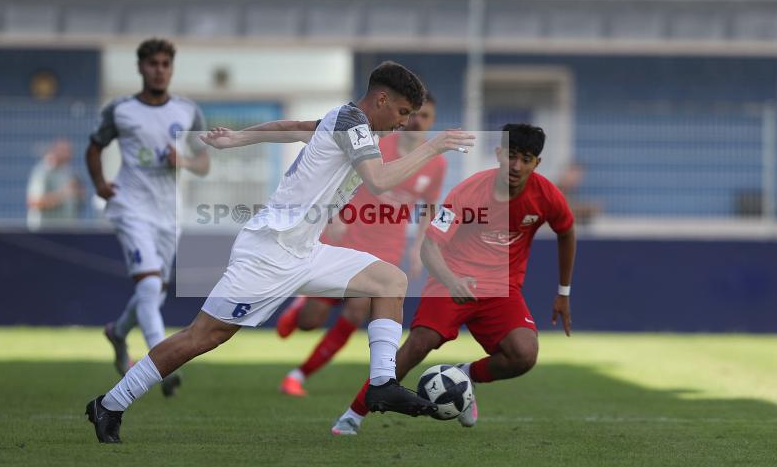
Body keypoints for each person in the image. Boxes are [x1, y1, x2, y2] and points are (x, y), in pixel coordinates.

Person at [85, 61, 475, 443]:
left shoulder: (347, 122)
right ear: (382, 99)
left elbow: (292, 128)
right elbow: (378, 178)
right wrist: (433, 147)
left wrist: (239, 138)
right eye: (404, 113)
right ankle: (111, 403)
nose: (406, 123)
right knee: (202, 336)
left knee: (390, 280)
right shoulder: (354, 122)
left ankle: (381, 384)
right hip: (270, 251)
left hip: (305, 250)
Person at [331, 123, 576, 436]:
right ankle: (353, 415)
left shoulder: (546, 196)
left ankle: (464, 376)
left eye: (526, 159)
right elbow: (430, 247)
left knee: (524, 355)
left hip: (502, 289)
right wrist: (452, 280)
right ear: (499, 154)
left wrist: (563, 292)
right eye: (511, 156)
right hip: (452, 278)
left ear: (536, 163)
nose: (516, 166)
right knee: (416, 346)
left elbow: (566, 231)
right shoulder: (468, 192)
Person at [276, 92, 447, 397]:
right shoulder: (381, 141)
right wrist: (335, 215)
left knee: (356, 311)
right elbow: (342, 175)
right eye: (414, 114)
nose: (417, 121)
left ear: (432, 121)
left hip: (386, 247)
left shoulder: (435, 164)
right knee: (309, 322)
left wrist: (419, 244)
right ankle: (302, 306)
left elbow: (429, 207)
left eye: (425, 116)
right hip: (349, 232)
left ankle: (297, 375)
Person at [86, 37, 210, 397]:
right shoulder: (121, 109)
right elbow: (94, 147)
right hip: (130, 206)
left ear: (171, 69)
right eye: (153, 64)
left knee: (153, 292)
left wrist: (184, 161)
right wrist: (99, 183)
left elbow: (203, 162)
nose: (159, 70)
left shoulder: (188, 111)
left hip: (167, 214)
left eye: (165, 64)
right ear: (140, 67)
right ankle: (161, 363)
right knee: (148, 285)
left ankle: (118, 332)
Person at [26, 139, 83, 230]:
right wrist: (63, 194)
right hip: (46, 232)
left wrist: (79, 194)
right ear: (56, 151)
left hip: (67, 231)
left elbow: (77, 202)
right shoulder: (42, 172)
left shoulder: (69, 172)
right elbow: (34, 202)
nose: (69, 155)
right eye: (65, 151)